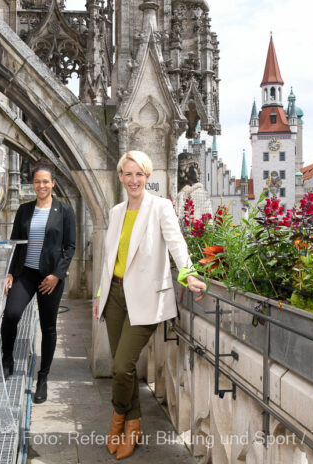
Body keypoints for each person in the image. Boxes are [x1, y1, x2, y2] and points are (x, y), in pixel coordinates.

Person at [92, 151, 206, 459]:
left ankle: (117, 423)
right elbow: (110, 258)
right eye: (128, 174)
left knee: (121, 366)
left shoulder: (160, 207)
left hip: (146, 298)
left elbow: (176, 243)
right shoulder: (116, 212)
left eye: (139, 174)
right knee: (123, 369)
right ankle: (134, 424)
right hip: (115, 297)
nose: (133, 180)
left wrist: (189, 272)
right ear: (120, 177)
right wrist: (101, 294)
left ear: (147, 177)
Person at [1, 160, 76, 404]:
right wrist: (10, 273)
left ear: (53, 183)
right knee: (11, 314)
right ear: (32, 184)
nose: (41, 185)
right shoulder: (24, 210)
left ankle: (42, 378)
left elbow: (70, 247)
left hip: (50, 277)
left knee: (48, 327)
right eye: (37, 182)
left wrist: (57, 275)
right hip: (26, 274)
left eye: (46, 181)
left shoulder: (64, 211)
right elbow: (15, 243)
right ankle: (7, 358)